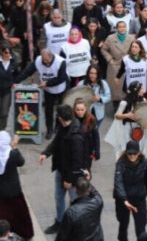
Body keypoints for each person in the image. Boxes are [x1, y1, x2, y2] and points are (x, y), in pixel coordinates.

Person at [40, 105, 85, 235]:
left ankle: (76, 226)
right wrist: (46, 153)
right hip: (61, 170)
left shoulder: (76, 135)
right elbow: (56, 142)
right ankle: (59, 222)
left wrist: (69, 180)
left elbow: (77, 162)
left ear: (60, 118)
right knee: (59, 198)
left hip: (72, 176)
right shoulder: (63, 127)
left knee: (75, 202)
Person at [0, 132, 34, 239]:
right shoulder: (13, 154)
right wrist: (14, 147)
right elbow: (21, 162)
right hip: (13, 191)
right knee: (18, 214)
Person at [15, 49, 68, 139]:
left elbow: (62, 78)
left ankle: (58, 127)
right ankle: (49, 129)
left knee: (61, 109)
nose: (45, 63)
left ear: (51, 57)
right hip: (48, 90)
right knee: (48, 111)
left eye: (47, 61)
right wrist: (16, 81)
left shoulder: (61, 62)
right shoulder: (38, 61)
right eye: (44, 60)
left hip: (60, 89)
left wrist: (47, 83)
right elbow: (27, 72)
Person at [114, 140, 147, 241]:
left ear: (139, 153)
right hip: (123, 200)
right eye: (130, 153)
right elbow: (118, 182)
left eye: (135, 153)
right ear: (126, 152)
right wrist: (124, 200)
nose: (132, 156)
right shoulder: (120, 163)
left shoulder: (145, 163)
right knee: (123, 225)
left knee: (141, 228)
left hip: (139, 199)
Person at [56, 176, 104, 241]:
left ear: (75, 190)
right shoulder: (98, 202)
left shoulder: (71, 212)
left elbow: (62, 236)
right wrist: (87, 180)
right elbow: (95, 192)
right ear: (89, 189)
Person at [73, 99, 101, 170]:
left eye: (82, 109)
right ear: (74, 110)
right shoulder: (71, 119)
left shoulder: (91, 119)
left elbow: (96, 136)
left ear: (85, 109)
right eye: (78, 110)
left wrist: (97, 151)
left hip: (87, 151)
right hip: (74, 150)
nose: (80, 112)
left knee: (86, 172)